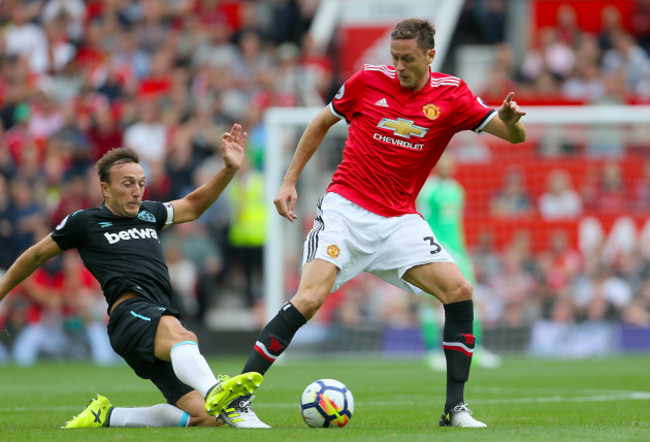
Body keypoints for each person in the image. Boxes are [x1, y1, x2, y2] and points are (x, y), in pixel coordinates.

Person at [236, 18, 526, 429]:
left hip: (398, 222)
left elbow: (514, 136)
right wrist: (288, 181)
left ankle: (454, 409)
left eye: (408, 59)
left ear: (430, 55)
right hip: (346, 211)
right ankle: (239, 399)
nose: (399, 66)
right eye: (394, 58)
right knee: (309, 298)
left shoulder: (452, 95)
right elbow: (321, 122)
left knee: (459, 290)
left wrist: (511, 121)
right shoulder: (368, 81)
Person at [0, 124, 264, 428]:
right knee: (183, 336)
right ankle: (215, 388)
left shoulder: (149, 213)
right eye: (127, 183)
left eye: (140, 183)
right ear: (105, 188)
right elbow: (34, 256)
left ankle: (108, 416)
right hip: (131, 314)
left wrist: (229, 170)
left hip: (154, 317)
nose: (136, 190)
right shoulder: (85, 222)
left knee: (207, 416)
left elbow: (192, 206)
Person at [416, 153, 501, 371]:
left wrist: (460, 249)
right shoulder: (428, 190)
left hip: (458, 252)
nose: (447, 166)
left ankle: (475, 348)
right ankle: (432, 352)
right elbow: (421, 220)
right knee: (432, 300)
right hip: (434, 250)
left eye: (450, 162)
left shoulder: (457, 190)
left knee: (471, 297)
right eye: (442, 162)